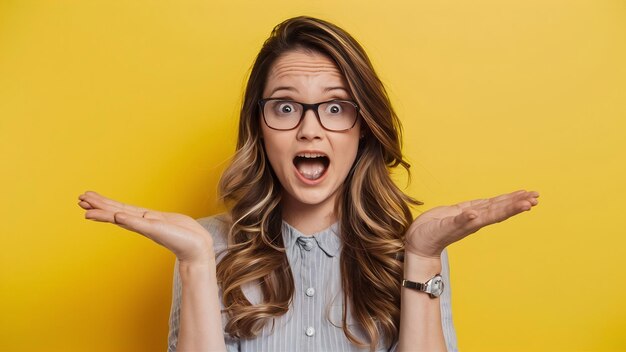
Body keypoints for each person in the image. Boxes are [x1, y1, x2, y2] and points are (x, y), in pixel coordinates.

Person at [77, 16, 539, 352]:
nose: (310, 130)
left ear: (363, 129)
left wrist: (421, 259)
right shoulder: (207, 246)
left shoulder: (412, 249)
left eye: (336, 108)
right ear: (259, 128)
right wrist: (197, 263)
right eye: (285, 107)